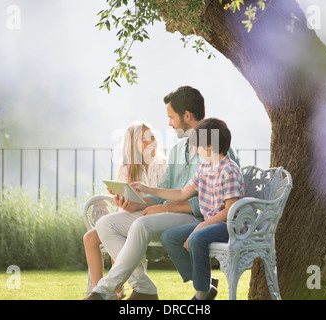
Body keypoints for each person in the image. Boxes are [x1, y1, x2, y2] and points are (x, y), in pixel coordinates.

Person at [86, 86, 240, 300]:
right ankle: (144, 288)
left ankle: (104, 290)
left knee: (141, 225)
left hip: (196, 217)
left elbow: (205, 203)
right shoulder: (178, 150)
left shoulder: (216, 149)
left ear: (186, 116)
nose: (169, 123)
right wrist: (137, 204)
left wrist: (164, 207)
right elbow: (165, 193)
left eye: (171, 117)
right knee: (106, 224)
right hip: (169, 214)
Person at [133, 118, 245, 300]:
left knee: (197, 237)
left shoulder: (229, 170)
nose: (197, 151)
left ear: (209, 146)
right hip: (210, 223)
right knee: (169, 237)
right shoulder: (204, 168)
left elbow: (230, 211)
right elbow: (181, 194)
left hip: (229, 225)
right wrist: (148, 189)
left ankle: (201, 294)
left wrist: (201, 227)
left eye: (199, 147)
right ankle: (205, 284)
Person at [83, 121, 166, 300]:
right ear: (132, 145)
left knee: (114, 233)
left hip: (149, 215)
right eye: (143, 139)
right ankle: (98, 290)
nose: (150, 141)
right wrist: (120, 200)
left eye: (152, 136)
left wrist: (134, 205)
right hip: (127, 215)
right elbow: (123, 205)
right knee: (90, 237)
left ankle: (113, 291)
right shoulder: (126, 169)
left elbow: (161, 198)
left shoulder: (161, 165)